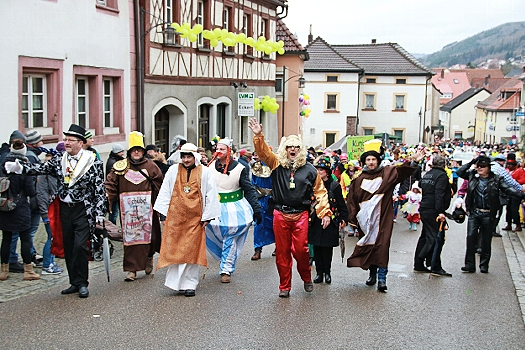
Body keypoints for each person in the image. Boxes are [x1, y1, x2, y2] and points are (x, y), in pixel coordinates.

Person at [4, 124, 107, 298]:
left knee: (80, 245)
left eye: (70, 140)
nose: (66, 142)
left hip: (83, 209)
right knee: (67, 245)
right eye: (65, 139)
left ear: (80, 143)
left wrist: (100, 213)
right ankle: (74, 282)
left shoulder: (93, 161)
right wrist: (20, 169)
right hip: (65, 209)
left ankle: (83, 282)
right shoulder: (60, 159)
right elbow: (40, 169)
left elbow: (99, 188)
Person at [249, 118, 332, 298]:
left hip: (301, 214)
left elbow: (320, 192)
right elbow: (263, 153)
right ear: (285, 149)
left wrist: (325, 212)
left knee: (301, 251)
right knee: (282, 252)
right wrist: (258, 135)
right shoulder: (276, 164)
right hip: (281, 213)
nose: (292, 150)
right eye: (289, 147)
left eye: (295, 147)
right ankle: (284, 286)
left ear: (300, 149)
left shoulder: (310, 170)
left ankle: (306, 277)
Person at [347, 139, 424, 292]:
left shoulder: (387, 173)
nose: (370, 162)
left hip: (382, 217)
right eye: (368, 160)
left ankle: (382, 279)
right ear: (364, 162)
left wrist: (413, 161)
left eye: (373, 159)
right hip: (365, 220)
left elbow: (402, 171)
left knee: (382, 246)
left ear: (378, 160)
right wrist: (352, 219)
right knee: (370, 245)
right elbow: (352, 200)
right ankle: (372, 274)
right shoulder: (358, 179)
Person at [153, 143, 220, 297]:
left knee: (192, 252)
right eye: (184, 156)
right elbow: (165, 191)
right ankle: (176, 284)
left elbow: (211, 194)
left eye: (189, 156)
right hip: (175, 219)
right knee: (175, 251)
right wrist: (163, 214)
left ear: (194, 157)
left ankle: (190, 284)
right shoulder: (172, 170)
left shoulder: (205, 172)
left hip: (195, 220)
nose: (186, 159)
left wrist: (208, 216)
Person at [105, 131, 163, 282]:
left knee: (150, 238)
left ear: (143, 151)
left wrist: (158, 206)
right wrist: (106, 197)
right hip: (128, 212)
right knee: (130, 240)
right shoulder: (120, 167)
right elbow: (110, 183)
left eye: (139, 149)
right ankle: (132, 270)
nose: (136, 152)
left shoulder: (151, 166)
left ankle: (149, 257)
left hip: (148, 211)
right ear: (129, 151)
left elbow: (159, 185)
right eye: (133, 150)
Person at [205, 138, 261, 283]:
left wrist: (256, 209)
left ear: (229, 151)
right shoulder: (209, 168)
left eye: (222, 149)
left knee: (230, 237)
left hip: (234, 209)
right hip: (215, 208)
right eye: (217, 149)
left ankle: (226, 269)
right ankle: (223, 259)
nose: (219, 151)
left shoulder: (240, 168)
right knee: (214, 236)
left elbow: (248, 190)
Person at [457, 155, 525, 273]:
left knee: (486, 240)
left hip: (488, 213)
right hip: (474, 212)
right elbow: (460, 171)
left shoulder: (497, 179)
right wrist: (472, 162)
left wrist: (521, 195)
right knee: (470, 237)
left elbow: (507, 189)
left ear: (489, 167)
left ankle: (484, 265)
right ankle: (469, 265)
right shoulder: (473, 175)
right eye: (478, 166)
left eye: (482, 166)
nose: (479, 168)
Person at [0, 138, 39, 281]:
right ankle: (28, 271)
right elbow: (30, 190)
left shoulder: (3, 164)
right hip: (20, 206)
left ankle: (4, 271)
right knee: (25, 238)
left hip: (4, 206)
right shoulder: (23, 166)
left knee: (6, 238)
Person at [309, 156, 348, 284]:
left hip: (330, 220)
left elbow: (341, 203)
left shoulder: (334, 185)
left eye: (322, 169)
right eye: (317, 169)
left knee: (327, 249)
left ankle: (327, 272)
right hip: (315, 220)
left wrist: (343, 218)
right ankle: (319, 273)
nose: (319, 172)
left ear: (327, 171)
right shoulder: (312, 185)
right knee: (317, 248)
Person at [414, 155, 452, 276]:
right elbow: (439, 194)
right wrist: (440, 211)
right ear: (444, 164)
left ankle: (419, 264)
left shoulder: (428, 174)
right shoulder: (441, 176)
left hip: (425, 207)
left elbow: (420, 184)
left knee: (425, 236)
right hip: (433, 210)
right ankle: (434, 265)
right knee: (436, 238)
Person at [37, 148, 64, 275]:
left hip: (57, 210)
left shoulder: (58, 171)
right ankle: (47, 265)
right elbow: (42, 193)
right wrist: (45, 214)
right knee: (51, 238)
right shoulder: (45, 172)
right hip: (49, 211)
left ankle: (51, 262)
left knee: (54, 237)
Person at [250, 150, 275, 260]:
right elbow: (253, 184)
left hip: (272, 199)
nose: (255, 157)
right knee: (258, 223)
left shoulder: (273, 166)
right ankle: (258, 249)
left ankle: (278, 246)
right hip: (260, 199)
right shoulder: (255, 167)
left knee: (274, 223)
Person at [491, 153, 522, 237]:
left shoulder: (491, 167)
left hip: (506, 193)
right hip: (498, 194)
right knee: (498, 212)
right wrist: (520, 189)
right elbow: (510, 181)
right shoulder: (501, 169)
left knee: (511, 209)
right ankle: (492, 229)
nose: (509, 166)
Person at [502, 153, 525, 232]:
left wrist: (514, 181)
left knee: (514, 209)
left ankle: (518, 225)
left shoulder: (520, 170)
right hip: (508, 192)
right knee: (508, 209)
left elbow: (523, 180)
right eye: (508, 164)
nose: (509, 166)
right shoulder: (506, 170)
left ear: (515, 165)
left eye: (511, 165)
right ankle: (508, 224)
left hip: (516, 192)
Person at [105, 143, 126, 225]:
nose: (123, 153)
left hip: (115, 191)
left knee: (114, 211)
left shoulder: (115, 159)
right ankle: (112, 228)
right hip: (114, 192)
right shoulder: (114, 162)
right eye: (121, 152)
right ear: (117, 152)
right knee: (114, 212)